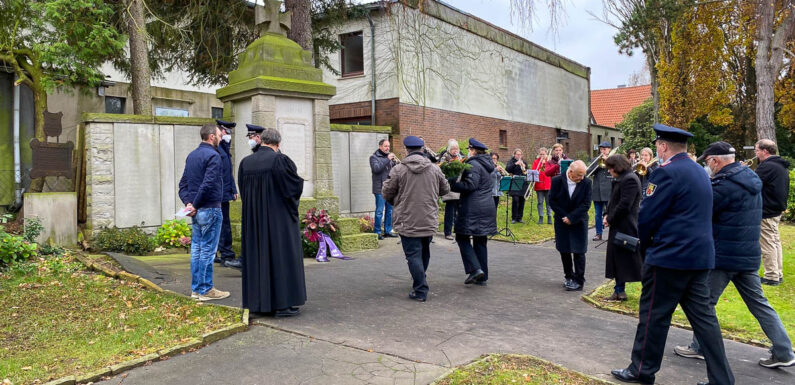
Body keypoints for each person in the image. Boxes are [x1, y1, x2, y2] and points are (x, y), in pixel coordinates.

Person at [611, 124, 734, 385]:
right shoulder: (700, 171)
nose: (657, 149)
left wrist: (647, 249)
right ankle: (722, 379)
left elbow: (647, 217)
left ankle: (642, 370)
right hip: (699, 257)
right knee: (705, 322)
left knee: (653, 318)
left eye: (658, 145)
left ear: (663, 146)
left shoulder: (665, 173)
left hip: (669, 257)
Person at [673, 141, 795, 369]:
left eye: (708, 162)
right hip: (747, 254)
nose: (708, 166)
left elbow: (702, 212)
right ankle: (784, 350)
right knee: (759, 304)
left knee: (704, 303)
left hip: (725, 255)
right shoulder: (749, 177)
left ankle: (700, 347)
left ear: (715, 161)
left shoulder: (725, 185)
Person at [238, 128, 306, 317]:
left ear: (261, 141)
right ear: (278, 143)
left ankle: (258, 304)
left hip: (254, 221)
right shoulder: (280, 160)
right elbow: (292, 189)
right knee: (280, 257)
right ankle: (282, 305)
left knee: (258, 259)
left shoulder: (245, 162)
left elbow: (243, 191)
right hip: (278, 220)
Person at [382, 136, 450, 302]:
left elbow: (387, 192)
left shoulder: (398, 170)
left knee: (413, 255)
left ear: (407, 150)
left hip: (407, 219)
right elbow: (445, 189)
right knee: (424, 252)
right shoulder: (434, 169)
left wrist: (396, 202)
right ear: (422, 149)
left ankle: (420, 289)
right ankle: (420, 278)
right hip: (428, 218)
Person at [178, 123, 230, 301]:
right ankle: (206, 290)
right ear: (211, 137)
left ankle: (196, 290)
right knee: (207, 251)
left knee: (197, 250)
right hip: (210, 208)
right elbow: (208, 184)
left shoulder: (192, 155)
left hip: (197, 210)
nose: (221, 139)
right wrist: (195, 204)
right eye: (219, 136)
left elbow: (182, 185)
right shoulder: (214, 156)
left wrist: (189, 203)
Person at [450, 138, 498, 285]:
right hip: (487, 206)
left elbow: (470, 185)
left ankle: (475, 269)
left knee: (461, 236)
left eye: (469, 150)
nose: (468, 152)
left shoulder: (474, 164)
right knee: (480, 241)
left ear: (473, 151)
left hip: (473, 208)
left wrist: (453, 183)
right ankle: (482, 277)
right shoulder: (487, 163)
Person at [602, 155, 642, 301]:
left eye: (610, 168)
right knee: (618, 260)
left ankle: (624, 291)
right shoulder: (622, 178)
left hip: (626, 225)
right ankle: (619, 290)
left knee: (629, 261)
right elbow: (613, 200)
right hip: (619, 224)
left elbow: (625, 204)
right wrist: (607, 214)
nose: (609, 171)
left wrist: (610, 218)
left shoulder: (629, 179)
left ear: (616, 167)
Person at [549, 160, 592, 291]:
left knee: (579, 251)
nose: (581, 178)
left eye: (583, 175)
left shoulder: (587, 182)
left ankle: (579, 280)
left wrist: (572, 217)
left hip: (579, 220)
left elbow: (586, 204)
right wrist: (565, 217)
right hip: (562, 221)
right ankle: (569, 276)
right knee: (564, 249)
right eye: (579, 175)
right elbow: (552, 201)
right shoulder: (557, 181)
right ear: (571, 172)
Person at [754, 139, 790, 286]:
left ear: (765, 151)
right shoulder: (780, 165)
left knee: (767, 243)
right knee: (774, 242)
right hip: (776, 208)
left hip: (767, 210)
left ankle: (771, 276)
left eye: (757, 150)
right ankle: (777, 273)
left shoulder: (767, 166)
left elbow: (752, 182)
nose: (756, 153)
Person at [214, 120, 241, 269]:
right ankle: (226, 254)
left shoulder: (224, 147)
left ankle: (221, 252)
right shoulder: (217, 148)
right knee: (223, 225)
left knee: (223, 224)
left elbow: (228, 172)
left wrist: (233, 189)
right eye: (226, 132)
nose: (228, 135)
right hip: (219, 193)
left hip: (224, 192)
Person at [370, 138, 398, 240]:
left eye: (389, 146)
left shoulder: (389, 158)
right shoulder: (373, 157)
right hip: (379, 188)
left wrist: (395, 163)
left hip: (390, 188)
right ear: (380, 146)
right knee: (379, 211)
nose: (388, 148)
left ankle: (388, 230)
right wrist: (387, 160)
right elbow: (376, 169)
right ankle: (377, 232)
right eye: (386, 146)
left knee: (390, 211)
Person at [587, 142, 613, 241]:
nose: (603, 151)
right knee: (598, 214)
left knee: (610, 213)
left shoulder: (613, 159)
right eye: (601, 149)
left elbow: (617, 171)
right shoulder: (595, 160)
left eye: (605, 149)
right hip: (597, 191)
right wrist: (598, 164)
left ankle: (612, 234)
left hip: (609, 190)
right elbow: (589, 172)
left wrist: (608, 162)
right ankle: (598, 233)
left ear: (609, 149)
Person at [440, 139, 463, 240]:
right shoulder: (445, 158)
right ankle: (447, 232)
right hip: (449, 187)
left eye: (456, 148)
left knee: (460, 211)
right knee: (449, 212)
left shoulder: (460, 157)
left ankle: (459, 231)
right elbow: (442, 171)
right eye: (453, 149)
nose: (455, 150)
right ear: (449, 149)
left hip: (460, 187)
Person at [505, 148, 528, 223]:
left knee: (522, 200)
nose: (519, 156)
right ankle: (514, 218)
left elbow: (527, 172)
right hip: (515, 182)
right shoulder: (511, 161)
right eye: (517, 154)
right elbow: (507, 169)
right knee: (515, 199)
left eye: (520, 154)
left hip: (523, 182)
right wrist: (515, 164)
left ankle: (519, 217)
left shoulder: (524, 162)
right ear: (514, 155)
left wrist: (525, 167)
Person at [531, 147, 552, 224]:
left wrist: (545, 163)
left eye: (543, 154)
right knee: (540, 202)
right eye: (541, 154)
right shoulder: (536, 162)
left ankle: (549, 217)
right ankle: (541, 217)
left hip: (548, 184)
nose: (542, 156)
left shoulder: (549, 161)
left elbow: (551, 171)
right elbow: (534, 172)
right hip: (539, 184)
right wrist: (540, 165)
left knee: (548, 202)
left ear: (546, 154)